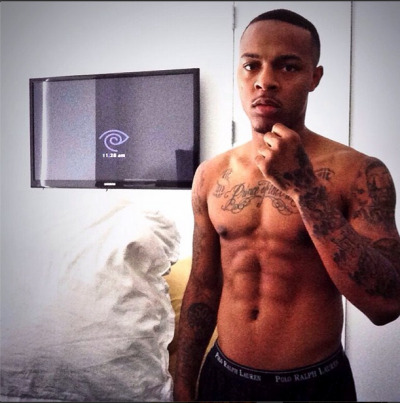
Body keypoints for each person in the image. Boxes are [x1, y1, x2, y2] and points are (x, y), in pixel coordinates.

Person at [173, 8, 400, 402]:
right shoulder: (210, 175)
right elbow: (203, 286)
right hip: (223, 378)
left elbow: (387, 304)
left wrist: (306, 190)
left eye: (288, 66)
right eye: (251, 65)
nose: (265, 81)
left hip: (313, 385)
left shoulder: (360, 173)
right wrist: (182, 381)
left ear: (314, 77)